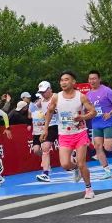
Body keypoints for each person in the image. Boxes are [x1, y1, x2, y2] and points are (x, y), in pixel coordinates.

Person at [41, 71, 97, 199]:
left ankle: (88, 189)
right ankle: (76, 168)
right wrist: (45, 129)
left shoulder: (81, 97)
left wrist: (82, 117)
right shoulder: (56, 97)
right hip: (64, 134)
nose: (63, 82)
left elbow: (93, 112)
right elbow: (49, 112)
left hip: (80, 133)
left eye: (66, 79)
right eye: (61, 80)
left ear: (73, 82)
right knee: (65, 164)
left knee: (82, 163)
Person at [86, 70, 112, 177]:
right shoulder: (87, 95)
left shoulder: (106, 90)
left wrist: (111, 113)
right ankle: (107, 171)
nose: (92, 81)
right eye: (90, 79)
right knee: (97, 146)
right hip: (96, 124)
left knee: (108, 147)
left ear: (99, 79)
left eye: (94, 78)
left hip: (108, 122)